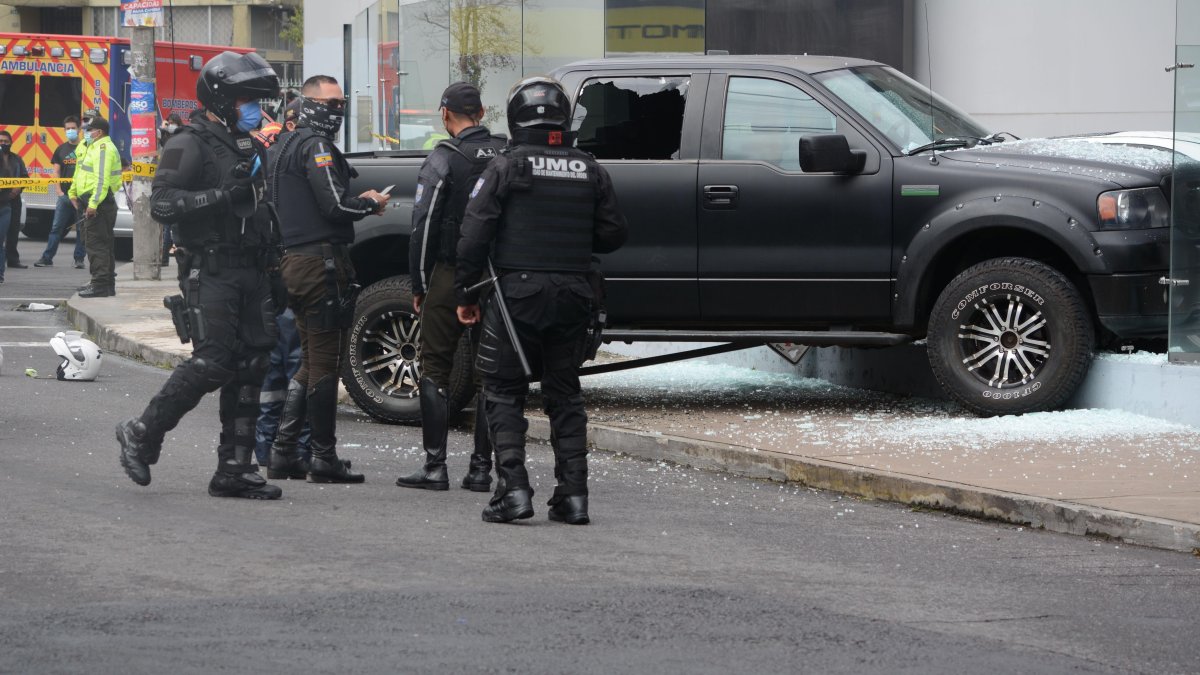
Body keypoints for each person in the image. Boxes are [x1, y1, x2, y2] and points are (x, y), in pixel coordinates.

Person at [455, 77, 628, 524]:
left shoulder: (505, 165)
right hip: (574, 293)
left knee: (502, 391)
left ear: (516, 117)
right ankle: (574, 497)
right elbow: (612, 235)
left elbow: (474, 233)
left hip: (517, 294)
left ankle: (512, 491)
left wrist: (465, 291)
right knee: (565, 393)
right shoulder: (590, 168)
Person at [115, 51, 287, 500]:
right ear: (223, 99)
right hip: (209, 270)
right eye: (248, 99)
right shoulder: (188, 142)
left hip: (252, 269)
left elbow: (262, 210)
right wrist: (220, 196)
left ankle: (235, 468)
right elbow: (162, 204)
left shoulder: (249, 144)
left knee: (253, 364)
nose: (256, 109)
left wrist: (276, 268)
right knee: (213, 360)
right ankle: (141, 430)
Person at [265, 74, 386, 484]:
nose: (337, 109)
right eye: (331, 102)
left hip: (294, 264)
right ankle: (323, 457)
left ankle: (284, 453)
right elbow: (334, 206)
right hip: (319, 266)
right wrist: (369, 204)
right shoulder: (315, 146)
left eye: (341, 102)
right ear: (309, 102)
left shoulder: (283, 144)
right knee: (325, 364)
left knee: (310, 361)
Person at [396, 82, 507, 492]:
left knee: (436, 367)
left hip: (450, 271)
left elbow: (422, 227)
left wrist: (420, 282)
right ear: (480, 112)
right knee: (490, 374)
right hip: (495, 276)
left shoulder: (444, 157)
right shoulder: (506, 152)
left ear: (446, 115)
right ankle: (481, 470)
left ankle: (435, 467)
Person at [252, 98, 312, 478]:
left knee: (273, 367)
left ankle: (264, 446)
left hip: (266, 274)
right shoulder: (298, 161)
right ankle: (298, 449)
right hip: (291, 268)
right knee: (298, 366)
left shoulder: (263, 158)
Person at [69, 116, 122, 298]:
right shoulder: (91, 146)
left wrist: (93, 204)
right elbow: (81, 171)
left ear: (99, 132)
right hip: (91, 201)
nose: (87, 133)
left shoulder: (103, 148)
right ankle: (105, 284)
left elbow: (102, 180)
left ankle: (100, 285)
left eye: (90, 130)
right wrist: (73, 192)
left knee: (97, 244)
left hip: (98, 203)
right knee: (99, 243)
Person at [35, 116, 86, 269]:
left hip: (80, 196)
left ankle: (79, 259)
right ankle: (47, 258)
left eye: (73, 128)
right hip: (64, 196)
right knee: (56, 228)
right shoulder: (61, 149)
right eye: (67, 129)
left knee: (81, 230)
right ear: (64, 131)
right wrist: (58, 191)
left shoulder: (85, 148)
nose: (70, 131)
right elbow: (56, 171)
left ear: (79, 129)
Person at [0, 129, 29, 282]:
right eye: (0, 141)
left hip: (14, 199)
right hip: (1, 199)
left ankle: (13, 259)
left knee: (13, 230)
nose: (3, 144)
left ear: (10, 142)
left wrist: (17, 189)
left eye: (5, 141)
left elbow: (25, 176)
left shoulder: (17, 159)